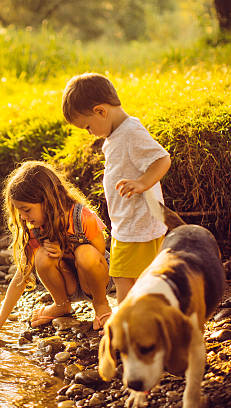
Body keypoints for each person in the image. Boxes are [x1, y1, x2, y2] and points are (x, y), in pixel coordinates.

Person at [61, 72, 171, 303]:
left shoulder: (131, 132)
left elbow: (162, 159)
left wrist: (142, 183)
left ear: (101, 111)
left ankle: (129, 325)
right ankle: (137, 320)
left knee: (127, 277)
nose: (89, 132)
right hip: (127, 224)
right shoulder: (117, 135)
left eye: (88, 126)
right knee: (126, 277)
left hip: (140, 225)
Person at [0, 161, 112, 339]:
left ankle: (101, 304)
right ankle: (62, 304)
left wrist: (66, 250)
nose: (23, 217)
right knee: (42, 255)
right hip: (70, 284)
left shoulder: (82, 217)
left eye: (26, 210)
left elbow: (98, 256)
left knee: (84, 252)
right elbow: (22, 274)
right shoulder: (36, 229)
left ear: (48, 201)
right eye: (20, 212)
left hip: (96, 282)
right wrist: (1, 318)